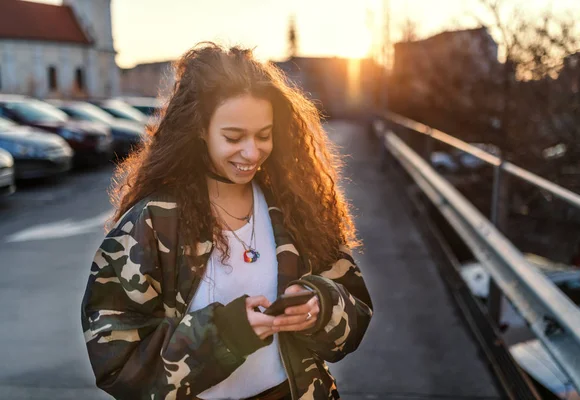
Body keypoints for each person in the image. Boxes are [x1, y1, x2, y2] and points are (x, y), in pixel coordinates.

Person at [81, 42, 373, 400]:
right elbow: (116, 363)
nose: (252, 153)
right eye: (233, 137)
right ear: (200, 130)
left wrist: (320, 305)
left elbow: (355, 308)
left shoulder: (296, 208)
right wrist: (227, 333)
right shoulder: (152, 224)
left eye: (263, 136)